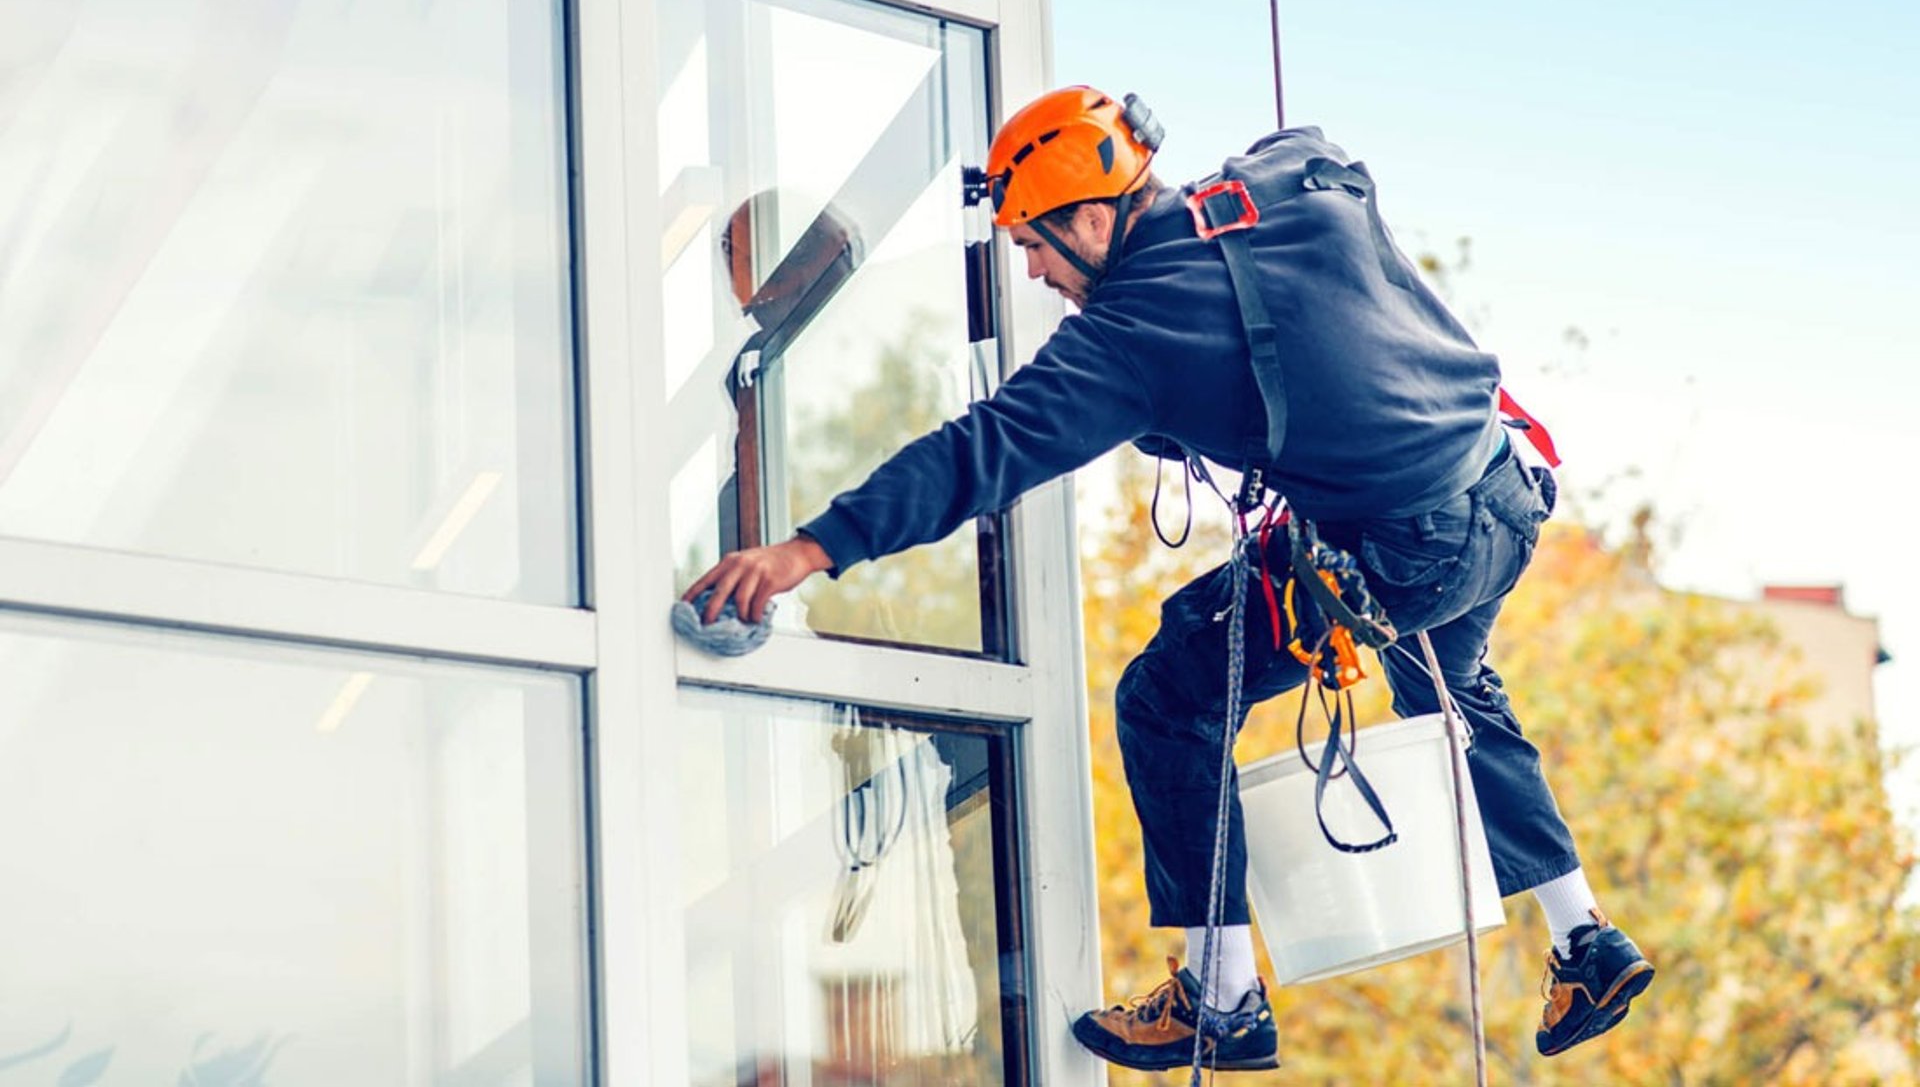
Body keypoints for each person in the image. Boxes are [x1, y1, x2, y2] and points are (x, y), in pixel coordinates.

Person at [684, 85, 1654, 1070]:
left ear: (1094, 220)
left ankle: (1222, 996)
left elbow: (982, 451)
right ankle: (1585, 939)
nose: (1036, 274)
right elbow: (1319, 150)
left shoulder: (1128, 336)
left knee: (1169, 697)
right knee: (1455, 691)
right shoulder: (1268, 186)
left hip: (1408, 546)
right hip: (1506, 494)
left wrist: (810, 548)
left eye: (1035, 247)